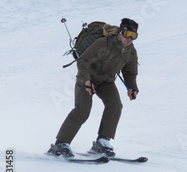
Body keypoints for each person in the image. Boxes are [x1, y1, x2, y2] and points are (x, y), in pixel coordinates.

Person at [47, 18, 140, 158]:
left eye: (133, 36)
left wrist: (132, 87)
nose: (129, 39)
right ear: (120, 33)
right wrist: (86, 81)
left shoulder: (130, 52)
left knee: (115, 105)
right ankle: (60, 143)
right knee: (83, 109)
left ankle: (102, 142)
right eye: (127, 34)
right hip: (87, 78)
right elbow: (83, 61)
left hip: (106, 82)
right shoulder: (104, 44)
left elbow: (130, 72)